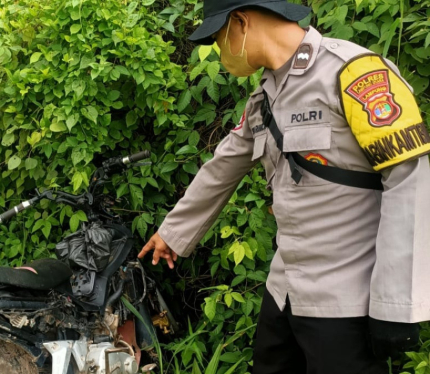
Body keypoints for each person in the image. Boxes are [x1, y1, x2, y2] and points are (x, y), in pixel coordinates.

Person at [137, 0, 430, 372]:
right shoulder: (264, 98)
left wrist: (397, 304)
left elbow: (409, 179)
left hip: (346, 300)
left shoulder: (354, 74)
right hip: (284, 294)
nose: (219, 51)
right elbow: (223, 165)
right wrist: (172, 233)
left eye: (218, 38)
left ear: (241, 22)